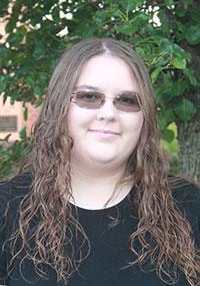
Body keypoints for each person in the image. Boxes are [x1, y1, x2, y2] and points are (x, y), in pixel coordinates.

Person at [0, 38, 199, 286]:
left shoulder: (188, 206)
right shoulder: (6, 209)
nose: (108, 114)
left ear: (144, 116)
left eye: (127, 100)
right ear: (59, 106)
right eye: (89, 96)